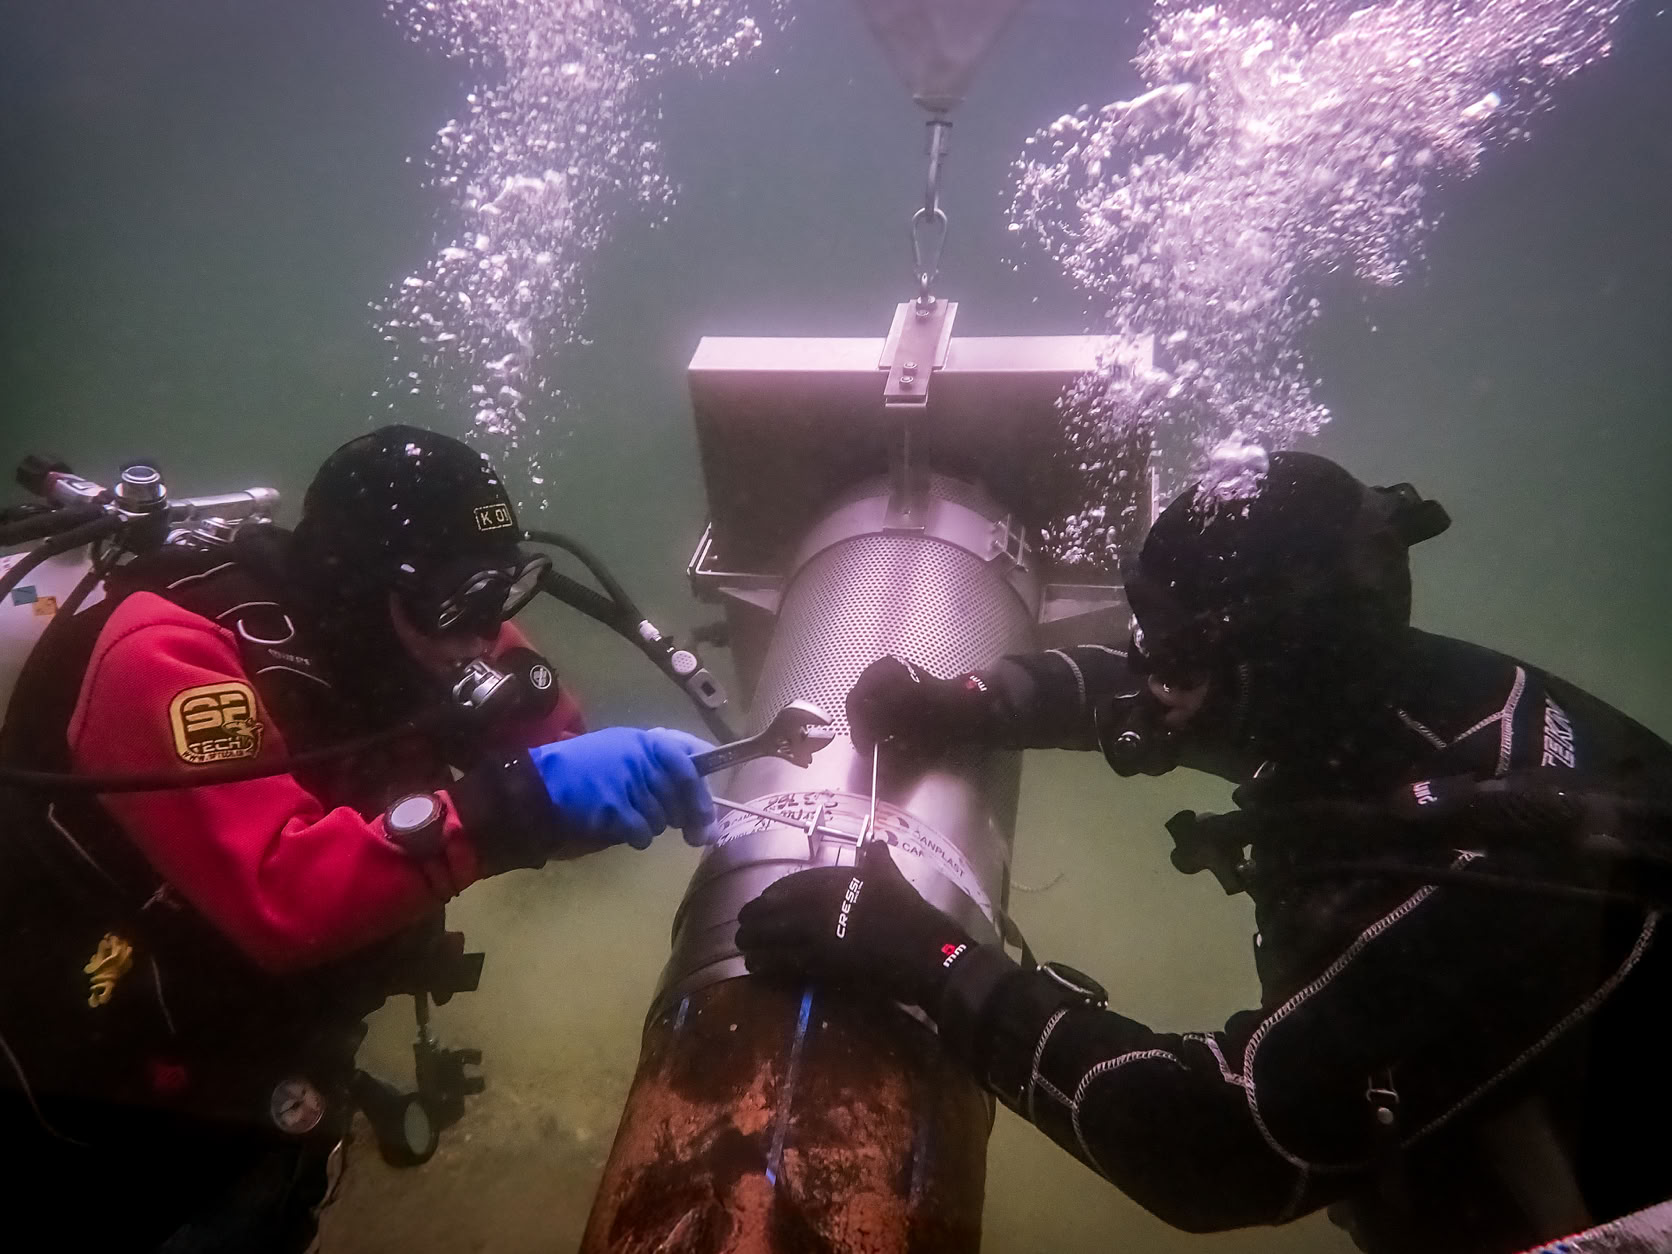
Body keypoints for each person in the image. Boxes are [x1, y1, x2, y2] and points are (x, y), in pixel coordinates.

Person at [735, 451, 1672, 1254]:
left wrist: (930, 956)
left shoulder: (1500, 881)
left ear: (1280, 659)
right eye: (1151, 637)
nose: (1152, 680)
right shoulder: (1364, 693)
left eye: (1176, 654)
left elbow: (1221, 1145)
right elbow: (1143, 687)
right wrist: (971, 699)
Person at [0, 425, 715, 1251]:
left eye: (499, 597)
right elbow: (284, 900)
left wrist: (573, 766)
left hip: (264, 1067)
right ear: (359, 591)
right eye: (456, 605)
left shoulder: (416, 638)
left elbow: (548, 762)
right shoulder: (171, 657)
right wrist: (526, 801)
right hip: (84, 1095)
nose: (482, 636)